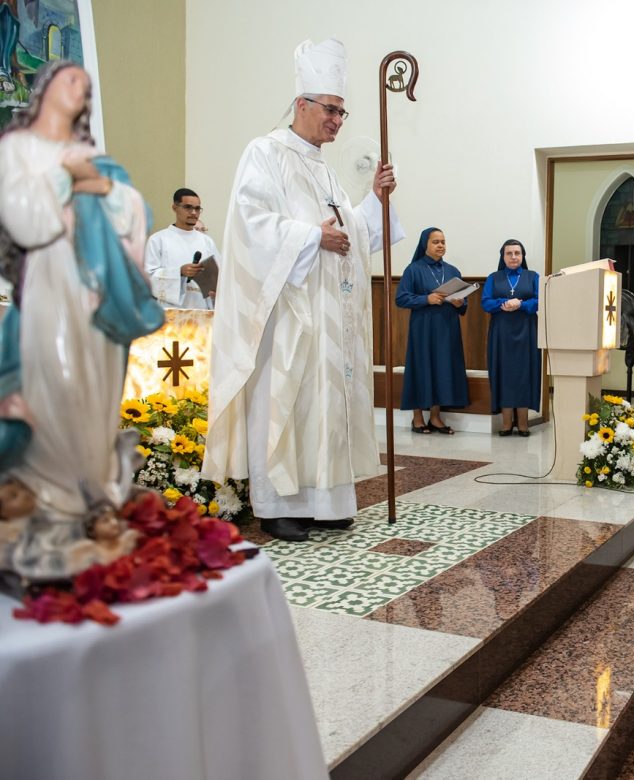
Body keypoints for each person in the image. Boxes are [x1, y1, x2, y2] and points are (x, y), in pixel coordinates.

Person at [203, 39, 404, 543]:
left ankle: (327, 500)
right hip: (287, 316)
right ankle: (279, 506)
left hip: (329, 317)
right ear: (302, 105)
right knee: (286, 403)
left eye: (342, 111)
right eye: (331, 110)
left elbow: (351, 232)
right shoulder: (264, 153)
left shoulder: (326, 171)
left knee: (326, 404)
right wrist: (313, 235)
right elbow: (250, 226)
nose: (338, 120)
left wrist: (373, 200)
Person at [0, 60, 161, 524]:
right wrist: (66, 176)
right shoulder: (19, 148)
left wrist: (104, 183)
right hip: (51, 280)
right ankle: (50, 500)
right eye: (71, 79)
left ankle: (93, 493)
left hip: (96, 291)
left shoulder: (89, 153)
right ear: (45, 87)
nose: (80, 88)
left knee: (96, 389)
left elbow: (132, 212)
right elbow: (23, 214)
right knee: (56, 381)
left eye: (86, 85)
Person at [396, 227, 469, 434]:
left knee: (442, 369)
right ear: (425, 245)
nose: (440, 245)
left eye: (443, 242)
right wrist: (425, 299)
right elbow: (401, 298)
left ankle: (436, 417)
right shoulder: (414, 269)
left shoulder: (453, 271)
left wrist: (459, 303)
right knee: (422, 368)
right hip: (423, 329)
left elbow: (464, 305)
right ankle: (417, 417)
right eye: (436, 242)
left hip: (447, 329)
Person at [482, 239, 540, 436]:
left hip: (526, 333)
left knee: (524, 374)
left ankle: (523, 424)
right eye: (509, 253)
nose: (514, 257)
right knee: (504, 374)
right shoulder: (493, 277)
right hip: (501, 334)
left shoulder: (533, 276)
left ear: (523, 256)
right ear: (503, 256)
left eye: (518, 253)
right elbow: (485, 302)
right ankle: (506, 424)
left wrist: (521, 305)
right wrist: (504, 303)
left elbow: (541, 300)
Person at [144, 187, 219, 309]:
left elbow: (218, 277)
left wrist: (216, 289)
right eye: (188, 207)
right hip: (171, 311)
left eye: (197, 208)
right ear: (175, 208)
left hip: (202, 308)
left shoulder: (207, 242)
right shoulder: (158, 240)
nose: (194, 212)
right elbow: (147, 278)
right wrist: (179, 272)